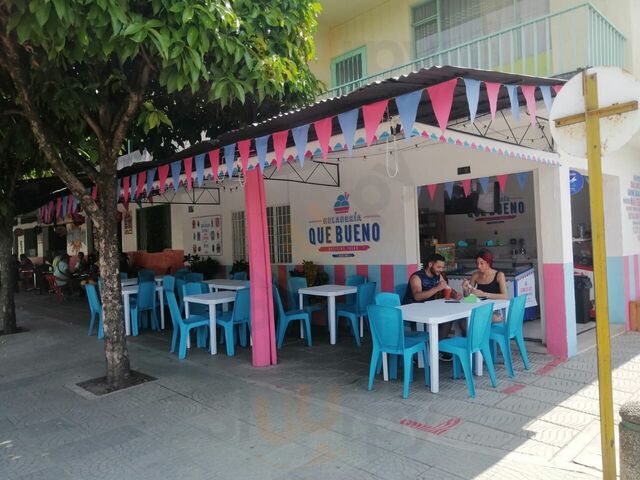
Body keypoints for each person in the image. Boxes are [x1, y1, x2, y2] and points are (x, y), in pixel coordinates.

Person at [403, 253, 462, 361]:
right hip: (413, 313)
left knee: (448, 318)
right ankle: (427, 352)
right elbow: (417, 296)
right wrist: (437, 288)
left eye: (442, 267)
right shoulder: (416, 277)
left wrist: (455, 294)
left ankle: (436, 348)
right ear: (430, 264)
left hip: (428, 309)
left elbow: (447, 288)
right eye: (438, 267)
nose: (441, 270)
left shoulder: (438, 275)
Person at [462, 249, 508, 323]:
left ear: (488, 263)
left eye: (481, 263)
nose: (478, 266)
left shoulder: (499, 275)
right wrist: (465, 289)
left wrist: (484, 294)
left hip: (496, 311)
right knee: (464, 321)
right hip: (479, 308)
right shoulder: (475, 275)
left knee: (476, 319)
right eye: (477, 263)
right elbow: (468, 297)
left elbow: (505, 296)